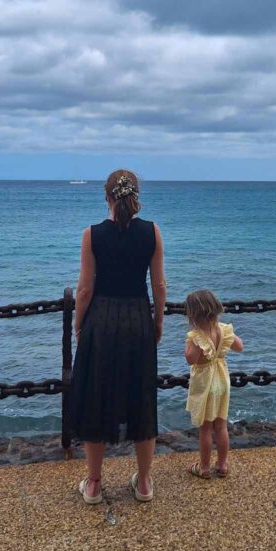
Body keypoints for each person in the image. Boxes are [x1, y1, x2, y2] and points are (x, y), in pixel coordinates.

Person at [70, 169, 166, 504]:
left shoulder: (91, 235)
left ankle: (94, 484)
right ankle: (143, 483)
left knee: (96, 395)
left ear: (107, 196)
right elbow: (159, 286)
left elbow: (84, 289)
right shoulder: (152, 233)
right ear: (136, 195)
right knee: (141, 398)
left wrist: (78, 324)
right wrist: (157, 321)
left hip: (102, 320)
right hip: (138, 318)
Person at [184, 289, 243, 479]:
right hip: (222, 380)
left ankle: (204, 467)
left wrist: (194, 345)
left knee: (205, 429)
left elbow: (190, 359)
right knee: (221, 426)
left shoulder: (197, 336)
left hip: (206, 385)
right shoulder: (224, 330)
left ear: (192, 315)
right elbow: (239, 346)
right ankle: (223, 465)